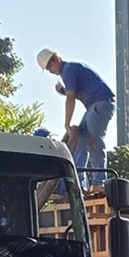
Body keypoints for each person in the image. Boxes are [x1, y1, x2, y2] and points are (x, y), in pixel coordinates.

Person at [36, 48, 115, 187]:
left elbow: (71, 98)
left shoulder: (68, 70)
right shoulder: (71, 69)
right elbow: (77, 93)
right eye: (47, 69)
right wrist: (64, 91)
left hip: (100, 104)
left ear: (56, 58)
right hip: (95, 106)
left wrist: (67, 124)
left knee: (94, 141)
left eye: (50, 66)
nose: (50, 70)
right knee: (81, 140)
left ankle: (99, 182)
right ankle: (80, 185)